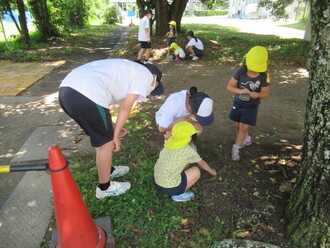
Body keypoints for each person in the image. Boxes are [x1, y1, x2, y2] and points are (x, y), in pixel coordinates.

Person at [59, 58, 164, 199]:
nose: (150, 91)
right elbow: (126, 106)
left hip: (68, 92)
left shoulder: (128, 69)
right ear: (154, 77)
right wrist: (114, 136)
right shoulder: (145, 75)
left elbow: (102, 110)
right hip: (86, 94)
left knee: (103, 138)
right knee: (106, 144)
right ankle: (105, 188)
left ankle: (108, 170)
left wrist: (114, 128)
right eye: (155, 87)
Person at [154, 121, 217, 202]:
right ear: (190, 138)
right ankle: (178, 195)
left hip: (159, 182)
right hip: (171, 188)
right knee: (196, 170)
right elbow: (203, 164)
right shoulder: (188, 150)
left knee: (183, 162)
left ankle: (176, 186)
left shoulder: (169, 143)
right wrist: (212, 172)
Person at [227, 46, 270, 161]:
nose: (252, 70)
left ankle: (236, 148)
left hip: (251, 106)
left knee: (243, 126)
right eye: (251, 67)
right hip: (238, 103)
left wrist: (258, 95)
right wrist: (240, 91)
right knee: (237, 125)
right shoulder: (241, 71)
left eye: (256, 68)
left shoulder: (263, 76)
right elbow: (230, 86)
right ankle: (247, 139)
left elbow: (265, 93)